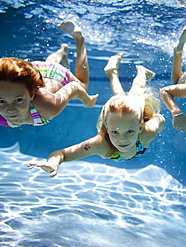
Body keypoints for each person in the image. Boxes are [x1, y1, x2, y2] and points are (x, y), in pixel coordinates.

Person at [28, 53, 165, 177]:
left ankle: (133, 73)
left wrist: (167, 119)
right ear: (106, 125)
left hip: (131, 117)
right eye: (115, 132)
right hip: (120, 118)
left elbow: (160, 119)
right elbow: (62, 154)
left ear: (140, 127)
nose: (122, 139)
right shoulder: (100, 144)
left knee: (136, 96)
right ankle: (117, 73)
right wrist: (53, 163)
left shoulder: (148, 131)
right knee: (126, 98)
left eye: (130, 131)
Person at [0, 20, 98, 127]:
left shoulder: (49, 106)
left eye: (18, 100)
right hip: (32, 71)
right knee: (49, 62)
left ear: (32, 94)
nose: (10, 110)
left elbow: (75, 87)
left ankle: (79, 38)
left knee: (83, 86)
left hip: (54, 74)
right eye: (1, 101)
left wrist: (87, 101)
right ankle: (62, 52)